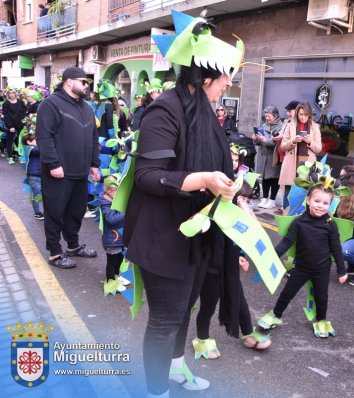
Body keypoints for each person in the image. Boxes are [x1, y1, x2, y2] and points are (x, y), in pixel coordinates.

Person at [122, 10, 244, 396]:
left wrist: (226, 175)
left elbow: (207, 161)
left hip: (196, 236)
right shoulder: (166, 109)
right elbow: (147, 176)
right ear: (206, 73)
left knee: (181, 315)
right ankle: (155, 390)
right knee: (165, 320)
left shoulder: (204, 111)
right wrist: (204, 179)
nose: (228, 83)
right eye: (226, 75)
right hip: (163, 237)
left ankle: (174, 370)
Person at [193, 182, 271, 360]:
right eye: (242, 199)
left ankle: (248, 334)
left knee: (240, 302)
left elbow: (250, 233)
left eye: (248, 200)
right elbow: (213, 246)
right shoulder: (216, 214)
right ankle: (201, 339)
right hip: (211, 269)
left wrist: (239, 257)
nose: (246, 204)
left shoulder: (239, 217)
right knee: (208, 307)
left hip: (229, 269)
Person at [257, 184, 347, 336]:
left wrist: (341, 270)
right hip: (301, 268)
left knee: (321, 296)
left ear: (330, 205)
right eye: (317, 201)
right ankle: (276, 315)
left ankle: (321, 320)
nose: (320, 206)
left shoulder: (330, 225)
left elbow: (336, 248)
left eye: (325, 203)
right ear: (308, 200)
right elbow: (286, 242)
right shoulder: (299, 222)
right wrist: (271, 257)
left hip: (322, 269)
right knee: (287, 293)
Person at [36, 67, 100, 269]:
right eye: (83, 81)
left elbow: (93, 138)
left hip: (80, 172)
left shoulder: (86, 108)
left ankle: (73, 246)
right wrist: (54, 164)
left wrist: (94, 164)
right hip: (58, 172)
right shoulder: (51, 104)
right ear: (69, 81)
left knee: (76, 212)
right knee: (55, 212)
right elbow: (44, 137)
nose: (86, 85)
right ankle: (55, 253)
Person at [278, 101, 323, 210]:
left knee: (306, 192)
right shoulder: (290, 125)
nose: (303, 117)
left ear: (310, 114)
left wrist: (310, 141)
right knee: (289, 192)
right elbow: (283, 146)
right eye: (301, 114)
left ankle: (302, 219)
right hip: (291, 163)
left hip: (307, 163)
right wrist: (293, 141)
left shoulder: (315, 127)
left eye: (305, 115)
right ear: (297, 113)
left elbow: (318, 149)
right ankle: (286, 216)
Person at [99, 175, 128, 293]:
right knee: (112, 262)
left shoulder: (117, 200)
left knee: (119, 260)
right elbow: (111, 219)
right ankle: (110, 281)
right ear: (109, 190)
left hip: (121, 238)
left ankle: (116, 276)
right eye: (117, 190)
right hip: (112, 240)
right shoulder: (105, 202)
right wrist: (125, 210)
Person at [253, 105, 284, 209]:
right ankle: (264, 198)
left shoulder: (281, 126)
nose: (267, 118)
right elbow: (259, 143)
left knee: (274, 179)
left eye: (269, 116)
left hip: (274, 156)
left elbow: (276, 142)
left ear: (275, 116)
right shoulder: (263, 125)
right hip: (263, 156)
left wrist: (264, 139)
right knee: (265, 178)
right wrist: (256, 139)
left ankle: (272, 200)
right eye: (265, 116)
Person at [2, 88, 27, 164]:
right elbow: (6, 116)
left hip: (20, 125)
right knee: (10, 141)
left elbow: (23, 114)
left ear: (16, 94)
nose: (11, 94)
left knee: (19, 141)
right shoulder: (5, 104)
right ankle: (10, 157)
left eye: (13, 93)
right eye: (9, 93)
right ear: (8, 94)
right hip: (11, 125)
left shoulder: (21, 102)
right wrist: (10, 126)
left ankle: (19, 156)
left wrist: (24, 124)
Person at [22, 132, 44, 220]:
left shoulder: (34, 148)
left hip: (41, 175)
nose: (38, 141)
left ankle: (46, 212)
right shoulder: (29, 148)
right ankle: (37, 213)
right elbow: (38, 151)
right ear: (28, 141)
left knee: (43, 194)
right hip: (34, 176)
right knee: (37, 195)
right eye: (36, 140)